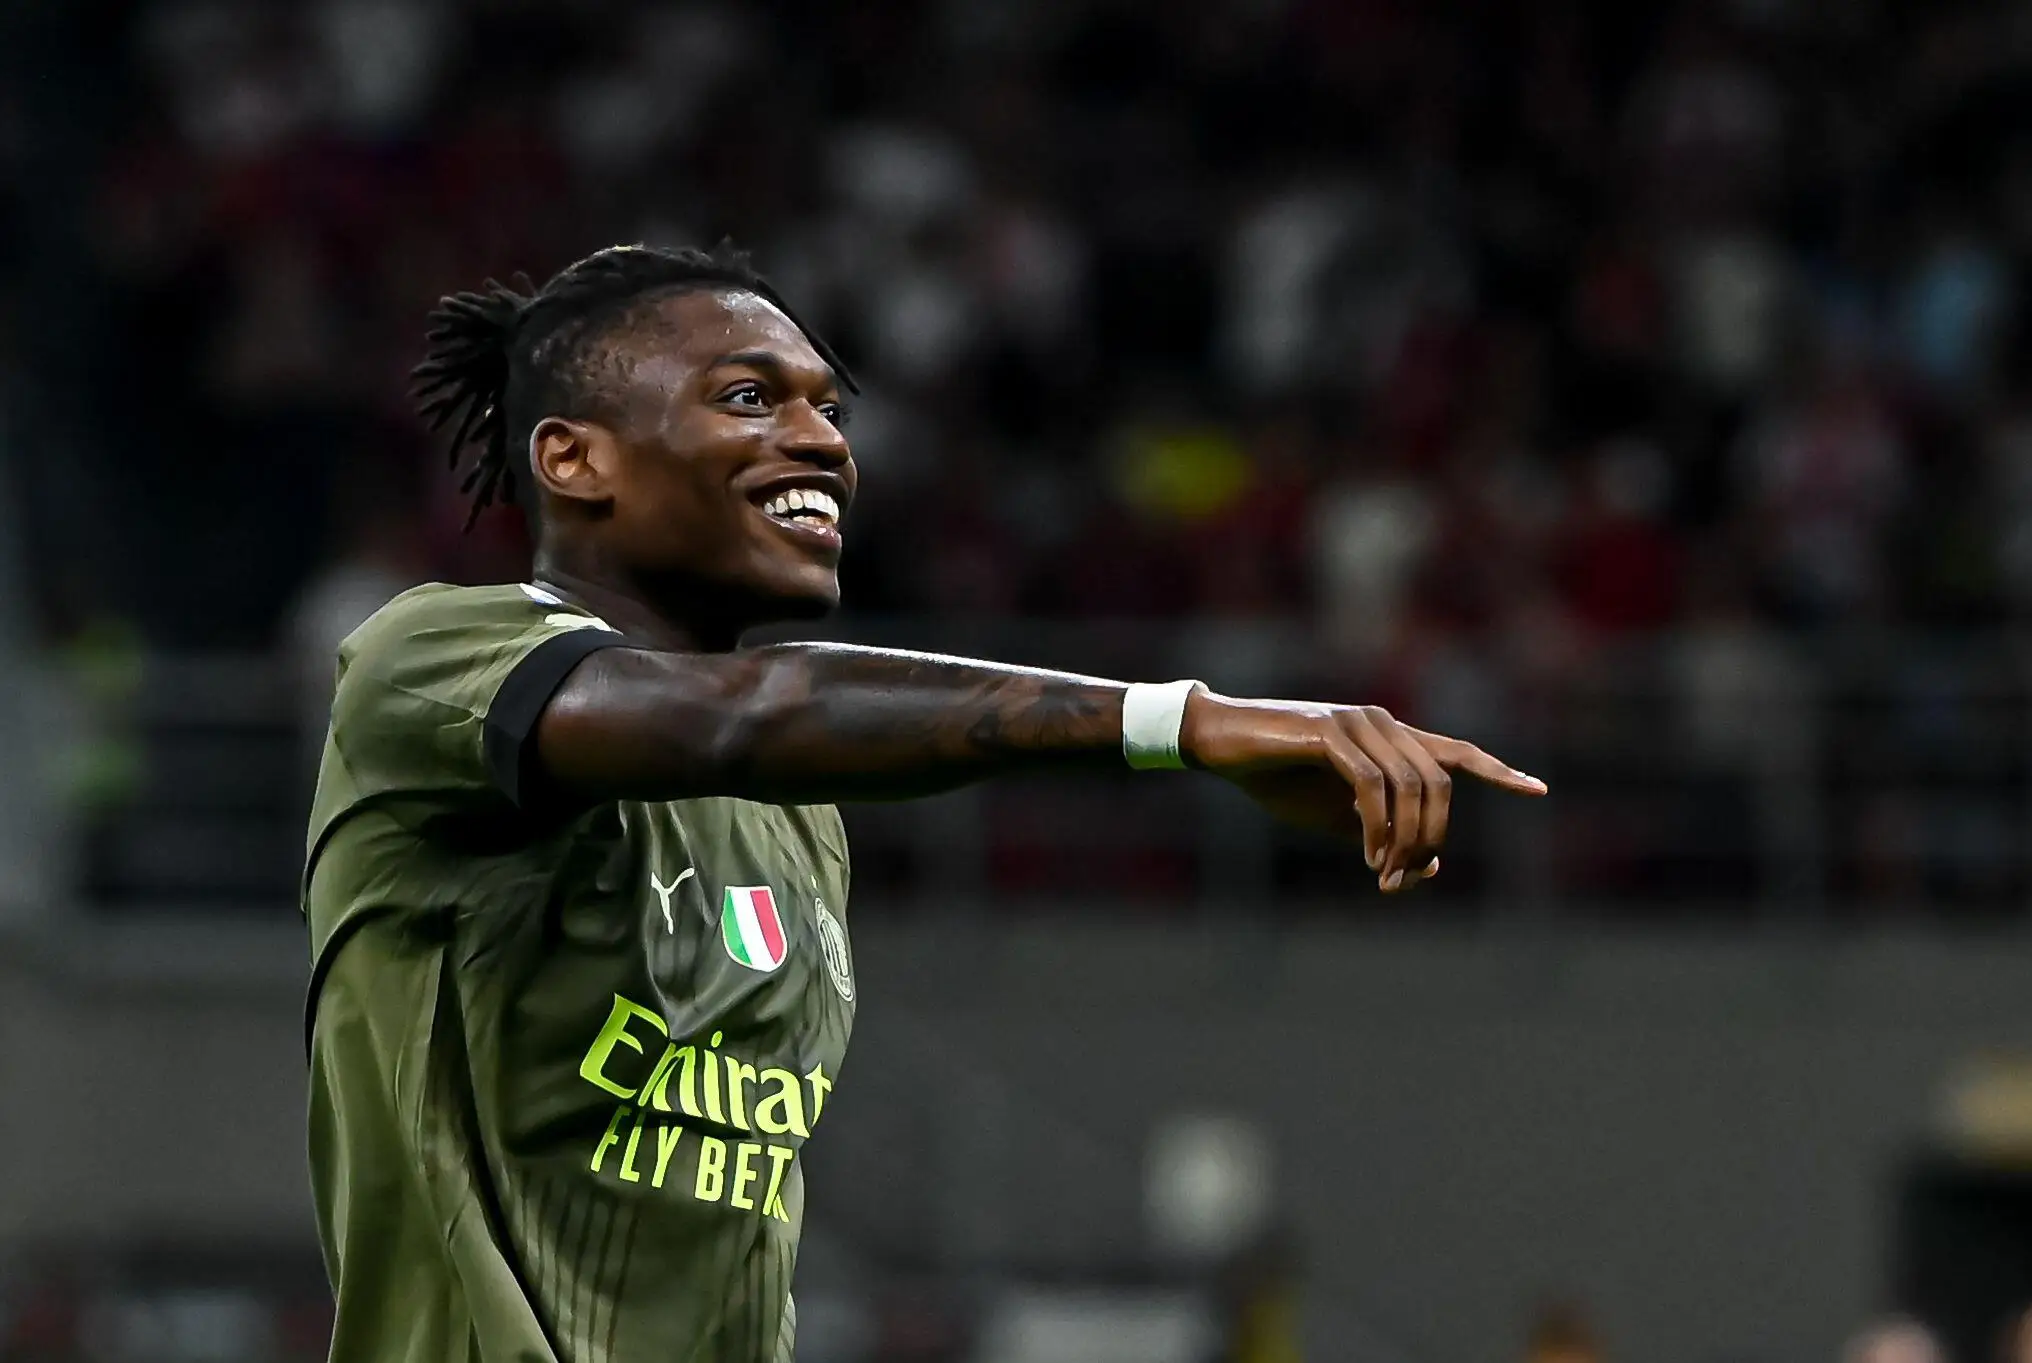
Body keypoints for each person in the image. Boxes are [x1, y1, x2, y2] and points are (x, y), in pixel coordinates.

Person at [302, 243, 1547, 1363]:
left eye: (829, 409)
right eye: (750, 398)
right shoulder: (426, 667)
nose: (825, 441)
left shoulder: (800, 827)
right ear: (574, 458)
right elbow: (747, 712)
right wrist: (1180, 722)